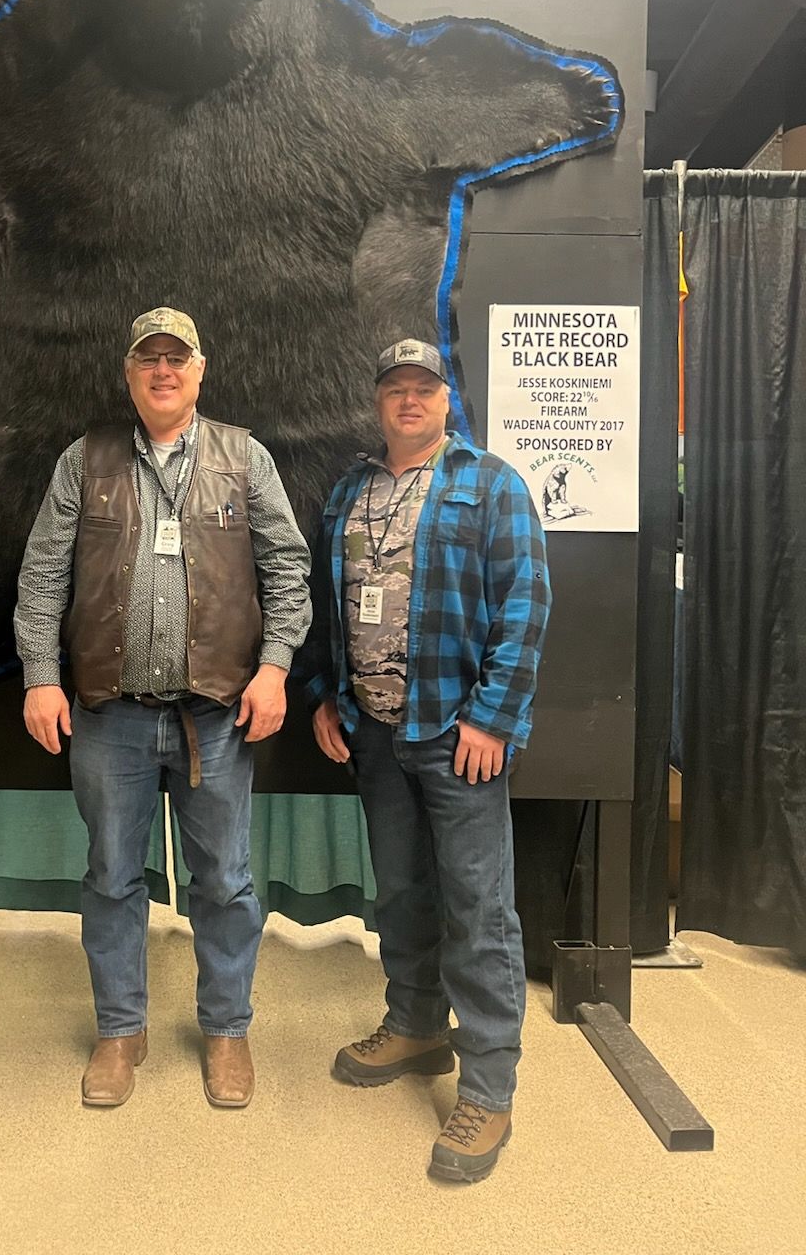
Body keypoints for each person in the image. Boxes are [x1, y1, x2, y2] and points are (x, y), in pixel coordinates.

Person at [15, 306, 311, 1110]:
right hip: (109, 713)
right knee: (111, 877)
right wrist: (41, 675)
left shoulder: (245, 458)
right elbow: (43, 575)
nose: (163, 370)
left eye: (177, 358)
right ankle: (120, 1030)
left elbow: (288, 571)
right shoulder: (85, 460)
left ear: (200, 370)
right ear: (129, 373)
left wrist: (275, 668)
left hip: (217, 714)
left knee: (226, 881)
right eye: (149, 358)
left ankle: (227, 1029)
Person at [305, 337, 550, 1183]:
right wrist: (329, 696)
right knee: (402, 894)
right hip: (375, 734)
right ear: (378, 401)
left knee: (478, 908)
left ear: (448, 400)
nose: (409, 400)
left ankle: (489, 1088)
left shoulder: (492, 484)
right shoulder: (351, 490)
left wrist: (493, 718)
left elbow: (527, 605)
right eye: (395, 389)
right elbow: (331, 604)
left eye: (424, 388)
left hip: (457, 735)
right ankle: (415, 1027)